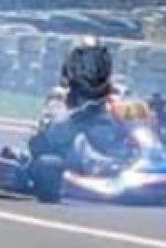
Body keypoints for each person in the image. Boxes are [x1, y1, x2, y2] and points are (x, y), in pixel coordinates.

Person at [28, 37, 130, 166]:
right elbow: (46, 137)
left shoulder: (117, 95)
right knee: (50, 162)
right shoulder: (61, 96)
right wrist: (79, 115)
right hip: (72, 160)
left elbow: (134, 120)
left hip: (112, 154)